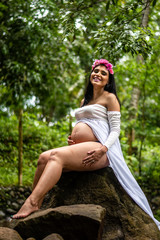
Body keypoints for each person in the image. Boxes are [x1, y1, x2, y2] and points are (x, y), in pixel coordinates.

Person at [12, 59, 160, 230]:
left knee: (56, 156)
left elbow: (115, 130)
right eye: (96, 71)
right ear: (91, 74)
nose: (98, 74)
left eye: (103, 73)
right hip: (84, 146)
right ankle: (37, 200)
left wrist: (103, 149)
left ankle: (32, 202)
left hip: (101, 149)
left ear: (108, 80)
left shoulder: (110, 98)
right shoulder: (85, 101)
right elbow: (87, 124)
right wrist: (74, 138)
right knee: (43, 158)